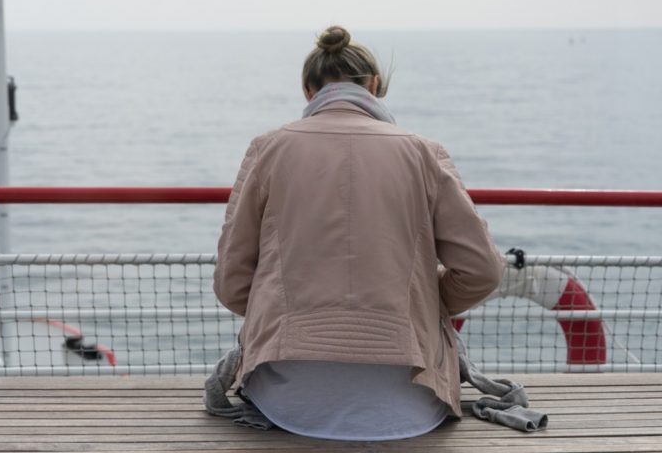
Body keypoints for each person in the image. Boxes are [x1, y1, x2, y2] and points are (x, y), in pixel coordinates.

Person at [213, 25, 505, 441]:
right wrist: (420, 303)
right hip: (412, 402)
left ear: (307, 91)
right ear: (375, 85)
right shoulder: (423, 152)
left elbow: (231, 283)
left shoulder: (268, 149)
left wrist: (285, 312)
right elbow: (483, 272)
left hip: (287, 400)